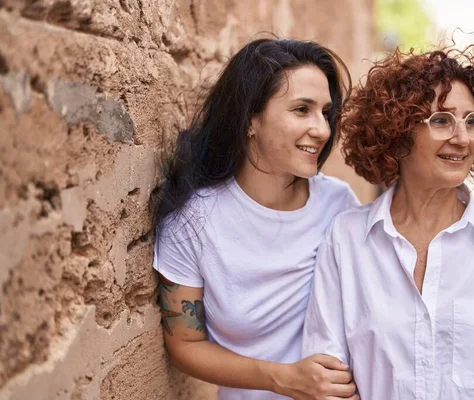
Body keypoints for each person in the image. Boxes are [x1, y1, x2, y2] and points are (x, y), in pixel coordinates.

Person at [302, 45, 474, 399]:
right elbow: (327, 371)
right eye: (441, 120)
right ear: (397, 131)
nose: (462, 137)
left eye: (472, 121)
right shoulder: (347, 239)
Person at [152, 38, 360, 400]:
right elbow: (185, 343)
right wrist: (283, 379)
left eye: (325, 113)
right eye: (301, 110)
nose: (322, 130)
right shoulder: (193, 224)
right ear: (250, 119)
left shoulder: (339, 205)